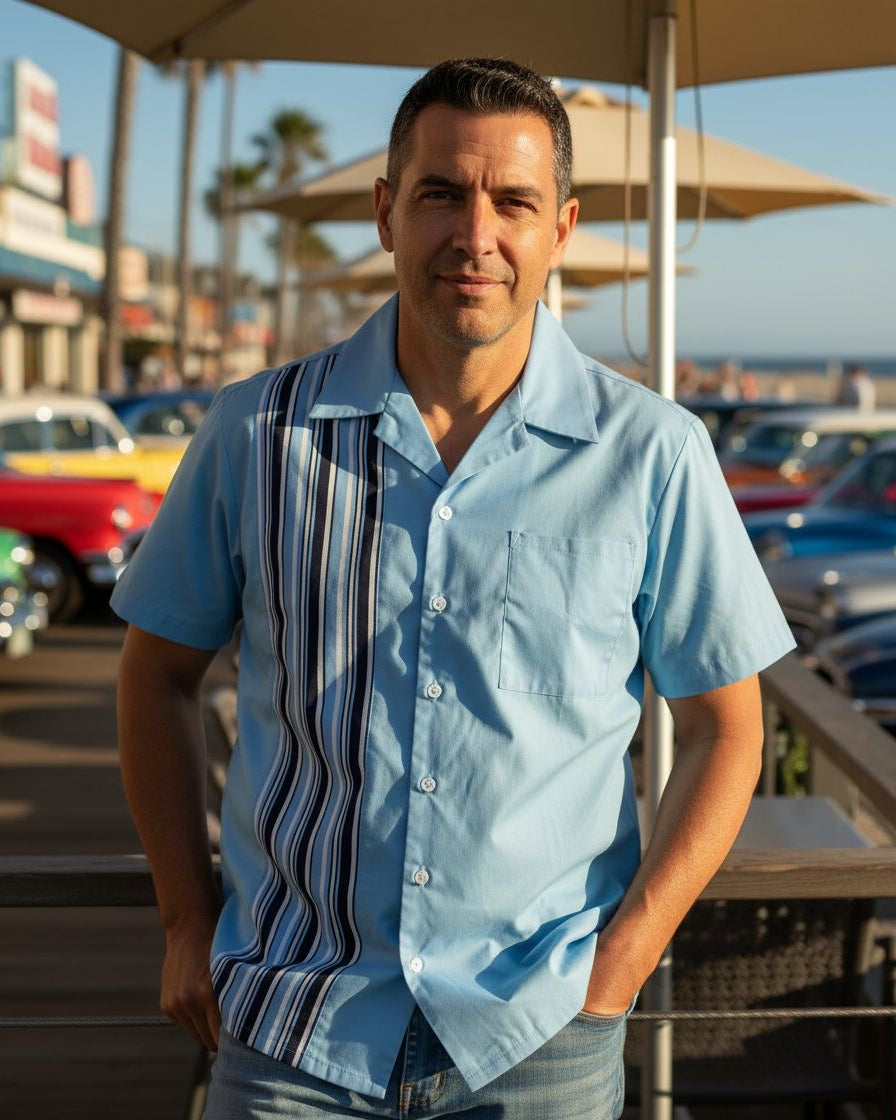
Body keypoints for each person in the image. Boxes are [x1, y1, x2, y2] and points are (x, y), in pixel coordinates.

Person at [113, 58, 795, 1120]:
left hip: (541, 1041)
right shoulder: (256, 432)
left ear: (559, 226)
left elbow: (725, 728)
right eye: (440, 193)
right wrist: (180, 919)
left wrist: (620, 962)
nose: (474, 235)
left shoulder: (651, 453)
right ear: (388, 212)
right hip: (294, 1030)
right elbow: (155, 674)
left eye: (512, 201)